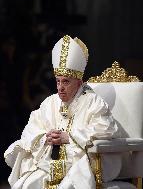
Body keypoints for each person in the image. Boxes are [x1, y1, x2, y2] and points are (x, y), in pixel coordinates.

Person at [4, 35, 118, 189]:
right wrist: (45, 137)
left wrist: (69, 137)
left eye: (66, 82)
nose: (60, 87)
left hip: (81, 164)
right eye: (58, 81)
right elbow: (31, 129)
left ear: (79, 83)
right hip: (50, 163)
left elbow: (107, 129)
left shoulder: (93, 102)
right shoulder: (50, 102)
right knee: (27, 183)